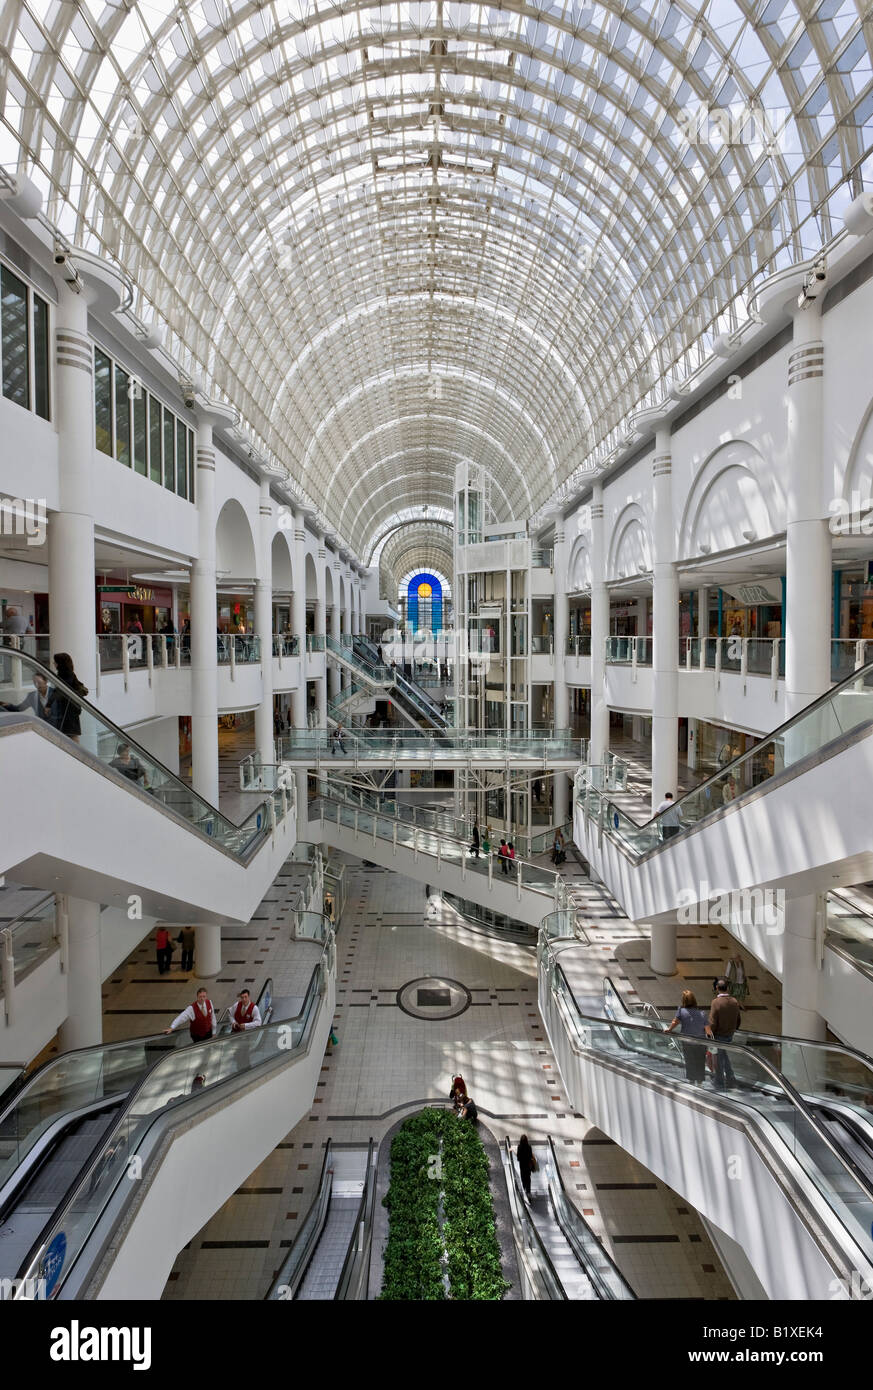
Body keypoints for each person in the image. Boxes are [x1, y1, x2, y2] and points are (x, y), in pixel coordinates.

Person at [665, 989, 708, 1083]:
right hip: (701, 1042)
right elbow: (708, 1030)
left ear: (684, 1000)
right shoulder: (702, 1013)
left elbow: (675, 1022)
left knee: (690, 1061)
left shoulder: (681, 1010)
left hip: (687, 1041)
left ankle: (692, 1081)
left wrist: (669, 1029)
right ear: (694, 1000)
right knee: (700, 1062)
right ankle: (700, 1082)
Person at [706, 979, 742, 1090]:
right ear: (728, 988)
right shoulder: (735, 1001)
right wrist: (733, 1029)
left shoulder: (716, 1002)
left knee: (719, 1059)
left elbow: (712, 1022)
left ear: (717, 988)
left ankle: (719, 1081)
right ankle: (731, 1079)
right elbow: (738, 1019)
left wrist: (709, 1036)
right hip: (729, 1035)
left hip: (718, 1035)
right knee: (723, 1056)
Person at [45, 653, 88, 742]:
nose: (54, 663)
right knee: (69, 734)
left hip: (70, 709)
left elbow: (61, 690)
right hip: (69, 708)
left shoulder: (66, 674)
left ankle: (77, 754)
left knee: (71, 734)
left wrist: (49, 704)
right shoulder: (66, 673)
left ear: (60, 663)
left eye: (55, 661)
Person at [516, 1134, 534, 1200]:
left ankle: (523, 1189)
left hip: (522, 1166)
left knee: (523, 1177)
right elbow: (531, 1156)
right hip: (528, 1166)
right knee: (528, 1178)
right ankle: (528, 1192)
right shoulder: (529, 1147)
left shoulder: (519, 1147)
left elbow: (518, 1158)